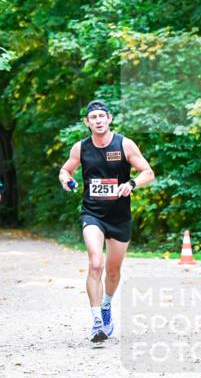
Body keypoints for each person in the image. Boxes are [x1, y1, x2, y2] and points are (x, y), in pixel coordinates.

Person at [59, 100, 155, 343]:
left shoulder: (124, 144)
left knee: (113, 270)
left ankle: (106, 306)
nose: (98, 120)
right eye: (94, 117)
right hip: (92, 213)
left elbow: (148, 172)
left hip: (119, 216)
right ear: (87, 122)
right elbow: (65, 170)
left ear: (109, 119)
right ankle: (97, 322)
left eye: (102, 116)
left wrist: (131, 183)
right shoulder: (80, 148)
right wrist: (65, 179)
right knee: (95, 263)